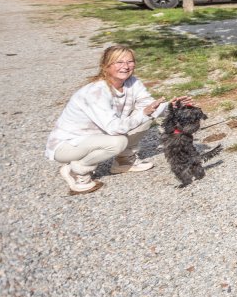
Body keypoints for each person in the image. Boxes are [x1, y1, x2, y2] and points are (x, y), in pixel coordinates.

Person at [46, 44, 192, 194]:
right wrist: (145, 113)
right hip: (68, 145)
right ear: (105, 66)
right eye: (119, 62)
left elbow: (149, 107)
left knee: (146, 116)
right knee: (119, 141)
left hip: (98, 136)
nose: (126, 66)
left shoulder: (132, 83)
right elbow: (114, 128)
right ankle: (76, 171)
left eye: (130, 61)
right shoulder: (95, 92)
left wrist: (172, 106)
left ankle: (123, 161)